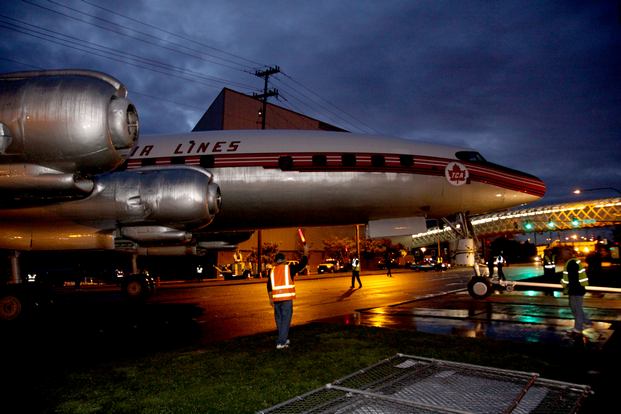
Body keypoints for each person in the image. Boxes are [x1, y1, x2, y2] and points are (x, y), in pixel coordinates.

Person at [267, 246, 308, 349]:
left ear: (276, 262)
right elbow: (302, 265)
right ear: (284, 260)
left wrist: (270, 298)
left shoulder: (272, 271)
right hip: (286, 299)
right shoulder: (288, 268)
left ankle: (283, 338)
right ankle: (281, 342)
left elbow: (269, 285)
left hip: (276, 300)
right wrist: (306, 252)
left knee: (279, 320)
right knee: (286, 320)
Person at [561, 253, 591, 334]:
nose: (562, 256)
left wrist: (563, 283)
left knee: (576, 308)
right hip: (578, 289)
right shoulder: (574, 262)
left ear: (567, 255)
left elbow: (570, 278)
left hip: (575, 290)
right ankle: (587, 322)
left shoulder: (571, 263)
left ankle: (578, 328)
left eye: (563, 254)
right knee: (575, 307)